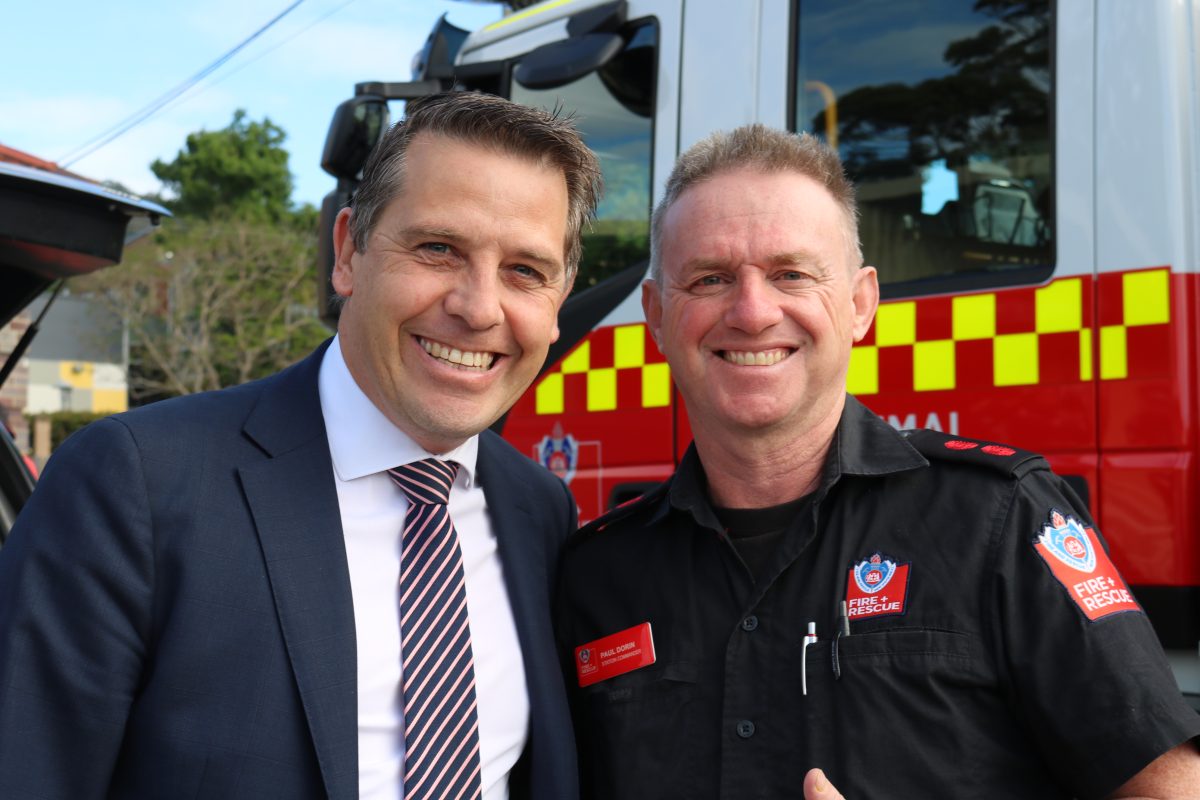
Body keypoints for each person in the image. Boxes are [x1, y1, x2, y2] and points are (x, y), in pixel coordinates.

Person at [555, 124, 1200, 799]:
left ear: (861, 304)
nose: (750, 312)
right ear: (656, 318)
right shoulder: (595, 576)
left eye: (791, 274)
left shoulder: (998, 520)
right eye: (710, 278)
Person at [0, 91, 601, 800]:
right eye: (439, 248)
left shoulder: (539, 512)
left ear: (559, 301)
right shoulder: (134, 484)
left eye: (525, 272)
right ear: (347, 252)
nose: (478, 308)